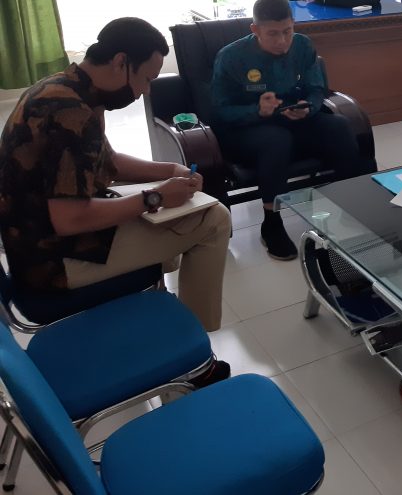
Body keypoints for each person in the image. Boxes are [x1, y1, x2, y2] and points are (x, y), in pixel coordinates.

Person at [0, 18, 232, 355]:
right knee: (215, 220)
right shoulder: (72, 113)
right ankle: (193, 349)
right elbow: (70, 219)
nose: (146, 91)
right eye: (146, 79)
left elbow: (107, 161)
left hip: (34, 243)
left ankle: (155, 315)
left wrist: (169, 169)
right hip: (52, 263)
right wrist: (154, 197)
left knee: (177, 217)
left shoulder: (67, 87)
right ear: (121, 62)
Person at [211, 0, 375, 261]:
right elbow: (219, 112)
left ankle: (349, 205)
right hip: (246, 130)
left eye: (287, 31)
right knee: (275, 140)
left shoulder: (302, 45)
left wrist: (308, 106)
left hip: (292, 119)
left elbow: (316, 88)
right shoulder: (231, 57)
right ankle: (271, 223)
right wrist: (256, 110)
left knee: (340, 126)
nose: (282, 41)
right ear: (255, 30)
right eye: (273, 34)